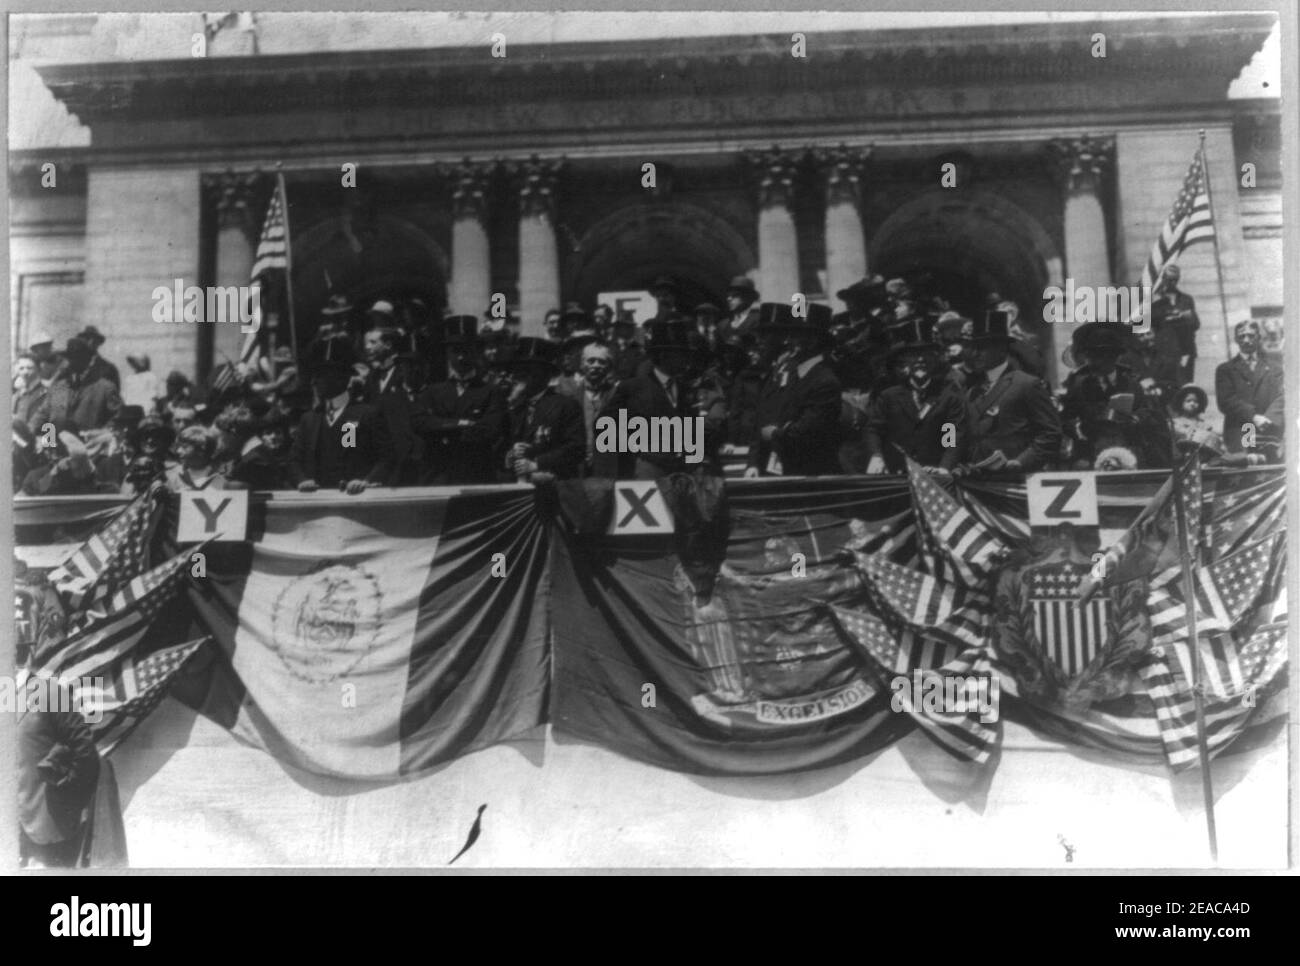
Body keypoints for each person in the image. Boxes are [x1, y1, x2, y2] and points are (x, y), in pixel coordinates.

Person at [745, 302, 843, 477]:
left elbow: (810, 430)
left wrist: (774, 434)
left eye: (797, 335)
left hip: (810, 472)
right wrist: (753, 462)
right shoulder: (787, 373)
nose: (790, 340)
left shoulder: (825, 381)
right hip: (776, 468)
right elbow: (763, 417)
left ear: (814, 340)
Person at [288, 334, 395, 493]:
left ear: (342, 377)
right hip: (317, 502)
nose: (314, 382)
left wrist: (366, 481)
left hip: (356, 501)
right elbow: (294, 461)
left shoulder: (364, 414)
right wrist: (302, 480)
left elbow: (386, 458)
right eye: (314, 375)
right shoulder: (309, 419)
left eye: (322, 375)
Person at [959, 310, 1062, 474]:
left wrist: (1021, 462)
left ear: (1002, 349)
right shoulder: (971, 391)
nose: (975, 354)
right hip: (977, 482)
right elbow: (951, 427)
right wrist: (947, 460)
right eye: (973, 347)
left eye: (983, 348)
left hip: (1015, 481)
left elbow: (1050, 434)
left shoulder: (1026, 384)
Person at [598, 318, 701, 479]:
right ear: (663, 355)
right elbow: (603, 428)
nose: (686, 360)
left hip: (681, 475)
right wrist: (639, 450)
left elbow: (694, 434)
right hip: (643, 476)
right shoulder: (632, 388)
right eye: (681, 354)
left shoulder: (685, 389)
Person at [865, 318, 969, 474]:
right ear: (904, 360)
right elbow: (874, 430)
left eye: (926, 354)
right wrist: (876, 456)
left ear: (935, 359)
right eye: (914, 354)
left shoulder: (949, 398)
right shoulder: (889, 397)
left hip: (933, 477)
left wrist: (944, 468)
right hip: (897, 476)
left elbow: (951, 438)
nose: (920, 360)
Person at [411, 315, 506, 485]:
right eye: (456, 351)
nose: (461, 358)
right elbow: (419, 423)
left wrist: (441, 427)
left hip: (476, 475)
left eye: (466, 351)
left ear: (476, 352)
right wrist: (462, 424)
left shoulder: (491, 392)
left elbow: (490, 430)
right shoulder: (432, 392)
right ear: (448, 353)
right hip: (438, 475)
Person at [1060, 322, 1154, 469]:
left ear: (1115, 357)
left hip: (1127, 452)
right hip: (1090, 452)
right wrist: (1079, 427)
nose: (1099, 362)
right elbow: (1065, 420)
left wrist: (1135, 418)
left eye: (1106, 356)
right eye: (1093, 356)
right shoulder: (1079, 386)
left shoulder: (1131, 384)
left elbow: (1146, 412)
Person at [501, 337, 585, 482]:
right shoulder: (514, 408)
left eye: (530, 370)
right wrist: (511, 454)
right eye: (520, 369)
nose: (522, 376)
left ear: (545, 375)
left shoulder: (565, 405)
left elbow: (576, 448)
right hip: (517, 488)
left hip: (555, 486)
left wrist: (537, 463)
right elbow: (499, 445)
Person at [1216, 318, 1285, 455]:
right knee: (1248, 469)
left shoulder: (1275, 368)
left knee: (1272, 470)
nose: (1246, 340)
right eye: (1242, 336)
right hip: (1242, 429)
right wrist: (1254, 417)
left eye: (1251, 335)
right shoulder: (1226, 369)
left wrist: (1269, 419)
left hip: (1270, 428)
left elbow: (1282, 396)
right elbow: (1226, 401)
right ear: (1236, 339)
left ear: (1258, 337)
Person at [33, 337, 121, 434]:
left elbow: (118, 418)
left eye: (79, 359)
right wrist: (33, 436)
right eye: (70, 359)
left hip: (86, 446)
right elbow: (42, 415)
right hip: (54, 444)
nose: (72, 364)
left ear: (89, 362)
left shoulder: (105, 388)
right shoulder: (57, 387)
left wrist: (99, 436)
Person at [563, 341, 617, 476]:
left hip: (606, 467)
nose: (596, 366)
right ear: (582, 364)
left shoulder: (617, 396)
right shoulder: (569, 396)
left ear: (609, 367)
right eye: (591, 361)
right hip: (574, 466)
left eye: (602, 362)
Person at [1150, 265, 1199, 384]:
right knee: (1165, 387)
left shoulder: (1186, 299)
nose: (1172, 282)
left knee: (1185, 386)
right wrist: (1166, 316)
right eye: (1168, 278)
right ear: (1162, 278)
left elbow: (1196, 324)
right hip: (1163, 353)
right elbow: (1146, 325)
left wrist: (1184, 316)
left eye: (1175, 279)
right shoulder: (1154, 299)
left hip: (1184, 351)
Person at [76, 325, 121, 390]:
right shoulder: (73, 366)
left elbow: (113, 394)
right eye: (87, 338)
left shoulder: (109, 369)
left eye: (94, 340)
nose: (90, 342)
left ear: (99, 343)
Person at [13, 351, 46, 432]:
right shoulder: (18, 393)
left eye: (29, 368)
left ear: (38, 369)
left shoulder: (45, 393)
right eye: (21, 368)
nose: (25, 372)